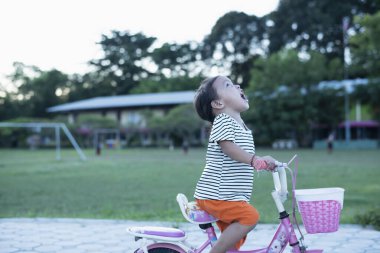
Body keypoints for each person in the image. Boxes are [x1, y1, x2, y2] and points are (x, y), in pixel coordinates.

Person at [193, 76, 277, 253]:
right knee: (250, 217)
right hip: (216, 194)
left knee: (234, 243)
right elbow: (228, 147)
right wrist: (255, 160)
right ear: (218, 103)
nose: (238, 85)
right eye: (228, 85)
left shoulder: (240, 126)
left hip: (228, 196)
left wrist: (263, 160)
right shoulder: (224, 120)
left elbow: (241, 154)